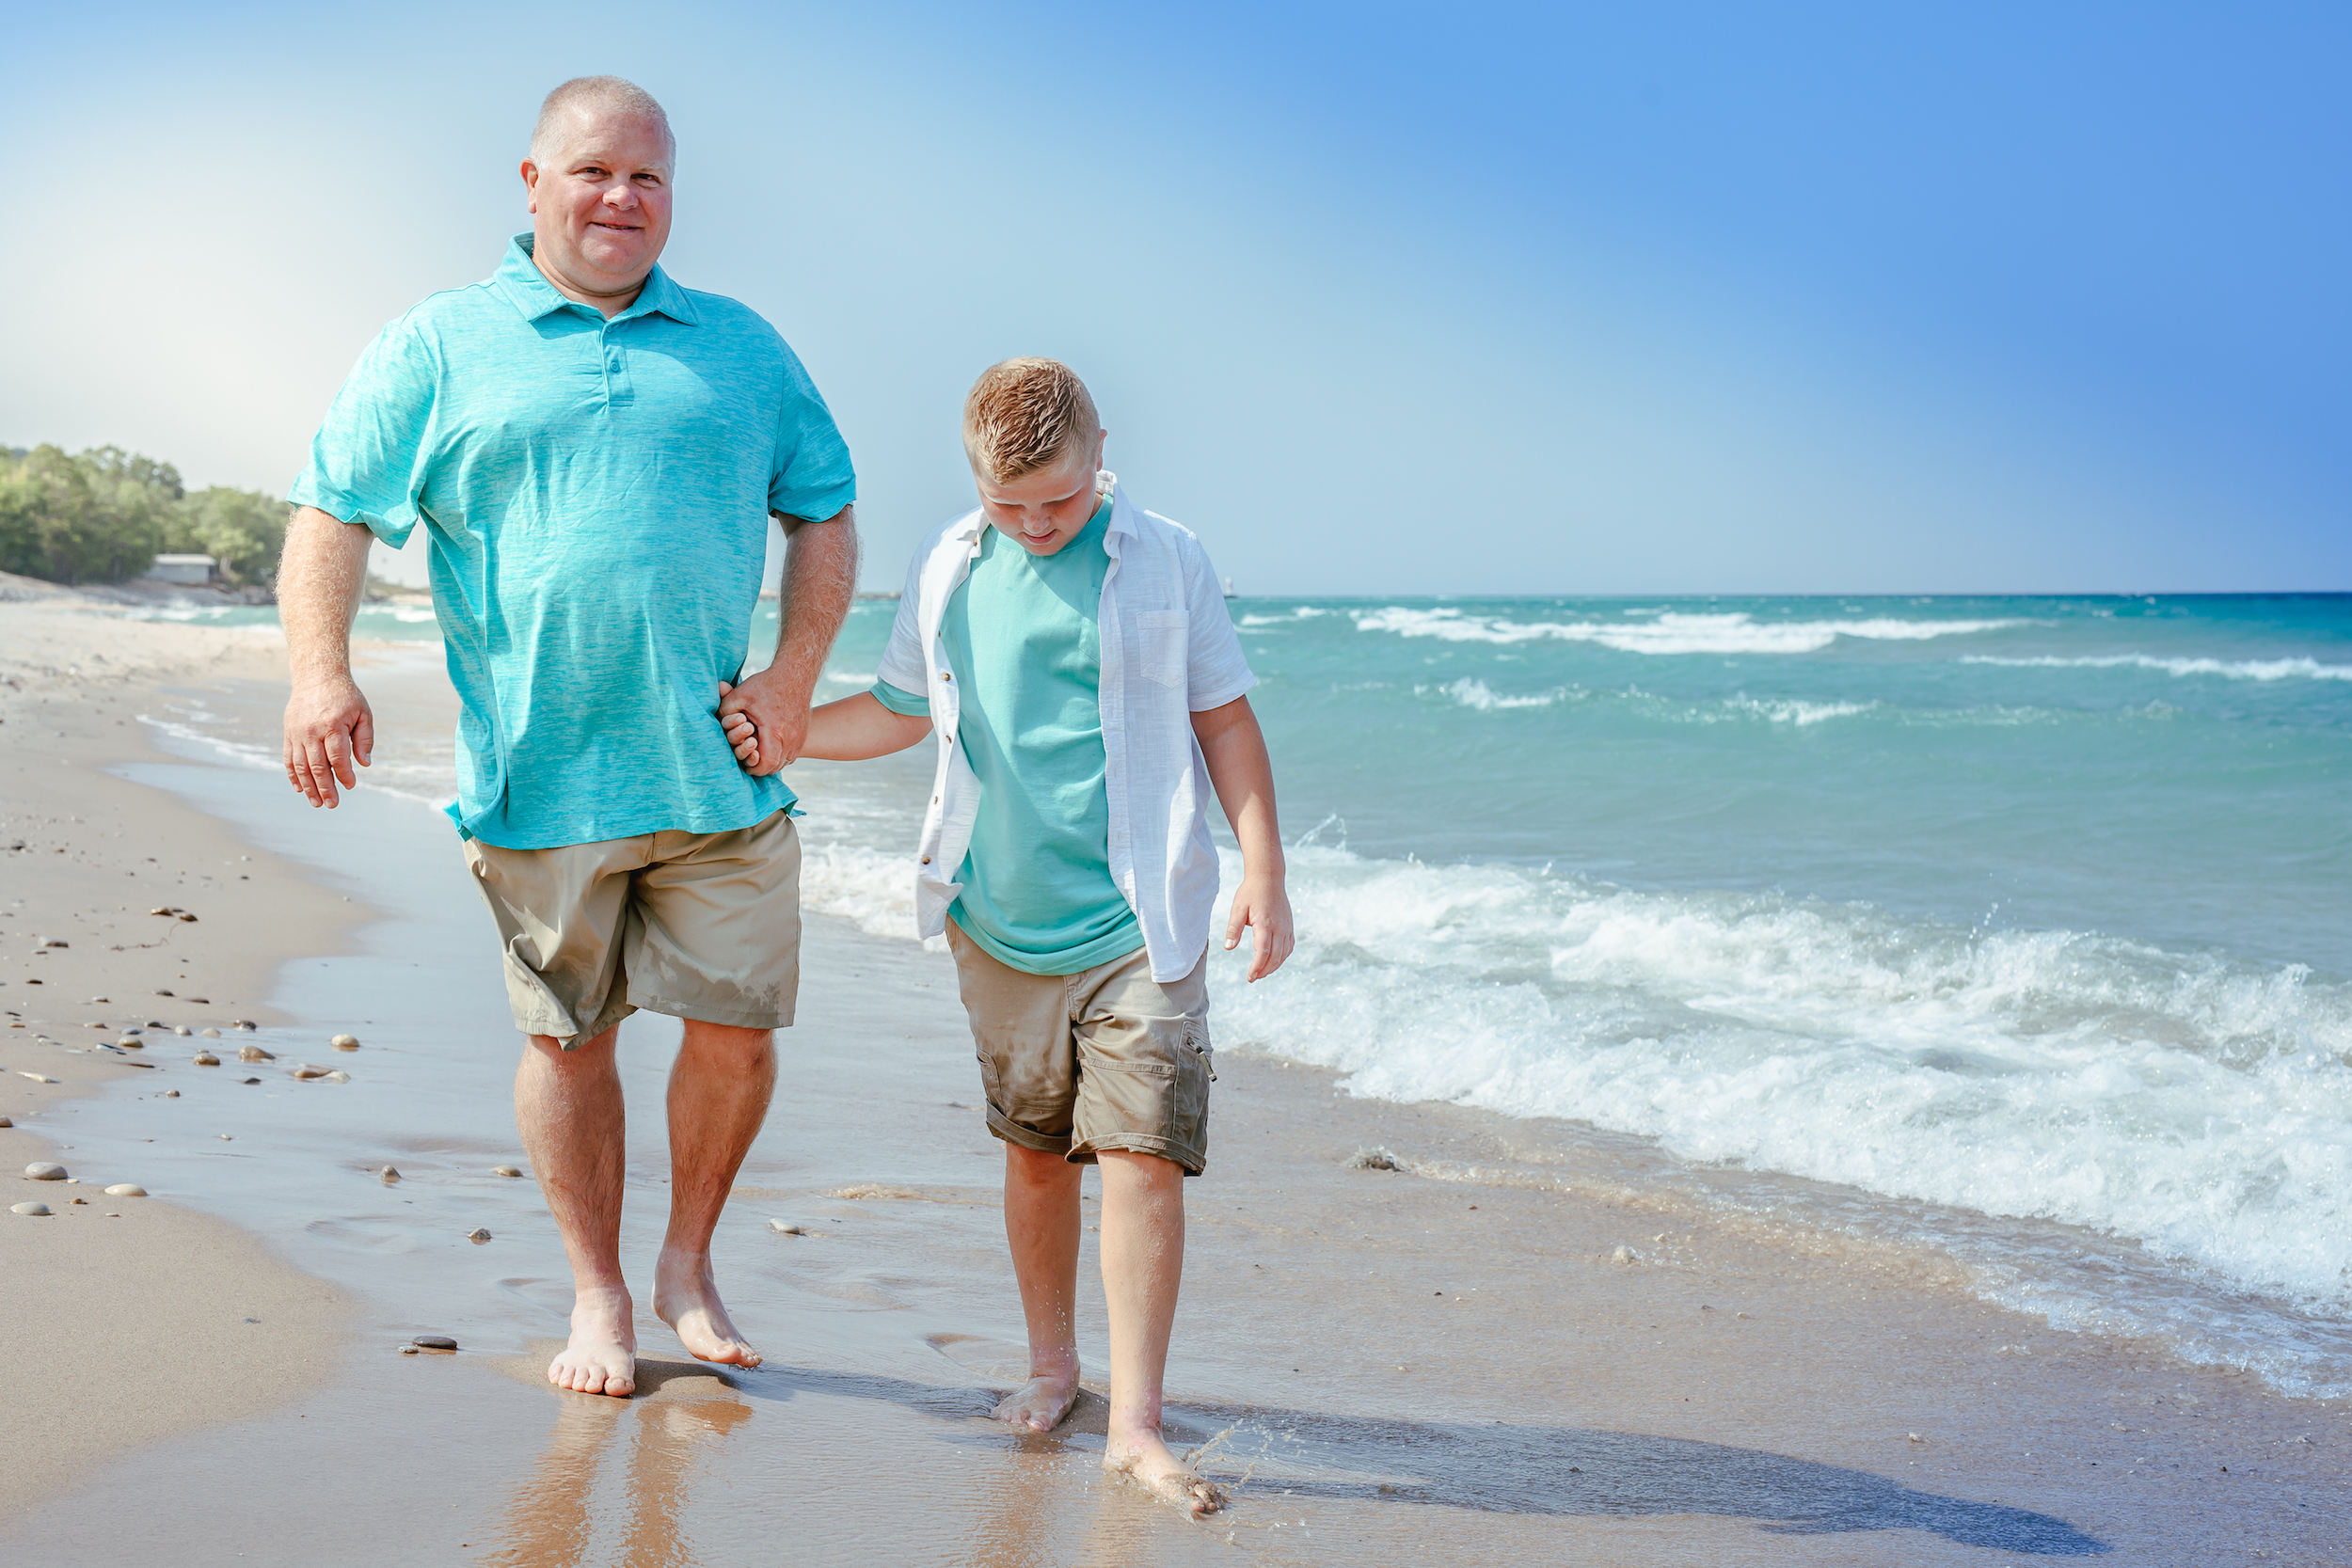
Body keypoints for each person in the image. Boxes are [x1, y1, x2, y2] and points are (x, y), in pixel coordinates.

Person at [277, 75, 858, 1399]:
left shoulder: (743, 345)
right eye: (593, 172)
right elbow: (332, 510)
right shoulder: (436, 342)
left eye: (648, 179)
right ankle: (598, 1290)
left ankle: (687, 1261)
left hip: (726, 766)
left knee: (738, 1033)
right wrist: (321, 673)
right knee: (568, 1042)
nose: (621, 198)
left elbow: (824, 508)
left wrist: (794, 675)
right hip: (540, 777)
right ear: (531, 183)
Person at [781, 357, 1292, 1514]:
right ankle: (1053, 1365)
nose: (1035, 522)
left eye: (1055, 499)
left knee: (1143, 1155)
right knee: (1031, 1154)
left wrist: (1263, 868)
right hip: (998, 921)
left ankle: (1138, 1421)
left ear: (1101, 448)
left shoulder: (1168, 558)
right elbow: (901, 712)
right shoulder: (951, 563)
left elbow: (1225, 715)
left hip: (1138, 917)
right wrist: (783, 735)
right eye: (1008, 503)